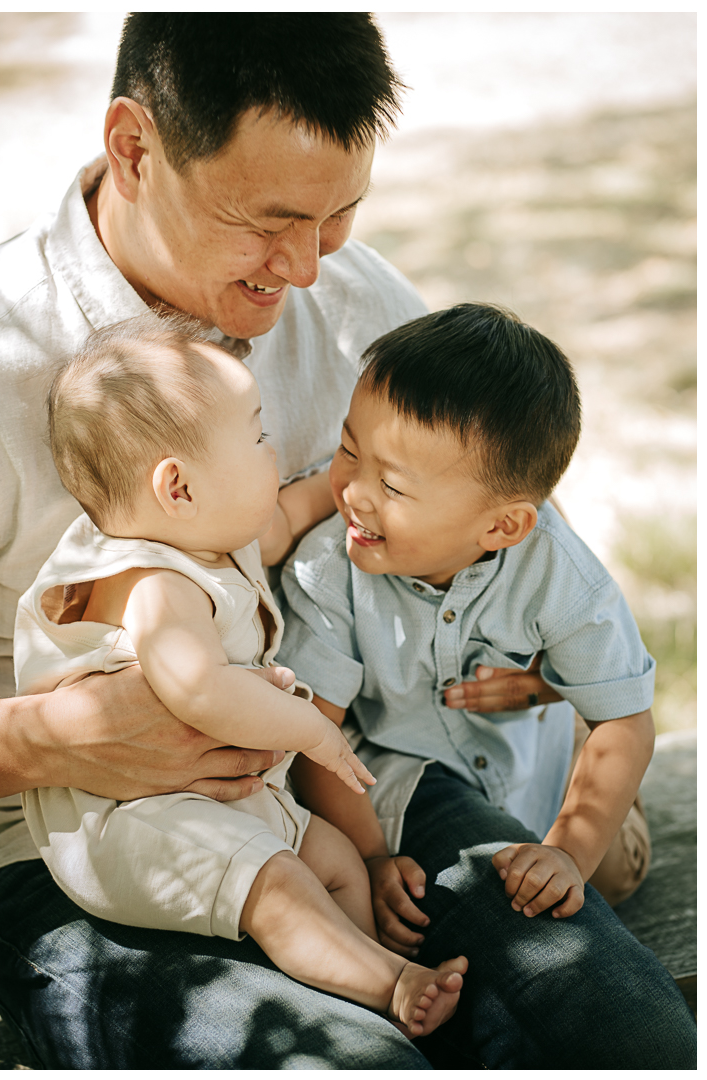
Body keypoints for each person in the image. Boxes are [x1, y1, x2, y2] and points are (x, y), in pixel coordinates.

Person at [0, 12, 686, 1070]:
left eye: (339, 216)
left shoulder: (355, 304)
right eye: (269, 222)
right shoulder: (5, 355)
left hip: (359, 794)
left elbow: (519, 543)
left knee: (617, 1028)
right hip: (74, 855)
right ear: (135, 149)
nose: (310, 270)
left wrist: (548, 668)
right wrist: (45, 741)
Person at [15, 313, 467, 1037]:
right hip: (136, 820)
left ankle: (362, 964)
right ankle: (387, 987)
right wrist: (310, 732)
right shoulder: (153, 584)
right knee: (281, 885)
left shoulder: (208, 537)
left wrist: (346, 483)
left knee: (337, 859)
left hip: (215, 800)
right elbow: (197, 689)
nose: (275, 447)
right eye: (257, 434)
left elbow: (291, 510)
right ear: (180, 488)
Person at [277, 303, 696, 1063]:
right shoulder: (326, 568)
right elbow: (318, 736)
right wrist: (371, 855)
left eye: (393, 487)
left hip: (538, 766)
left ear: (502, 527)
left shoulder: (560, 576)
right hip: (409, 766)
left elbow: (628, 722)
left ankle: (588, 774)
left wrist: (569, 848)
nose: (355, 494)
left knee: (611, 871)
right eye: (347, 451)